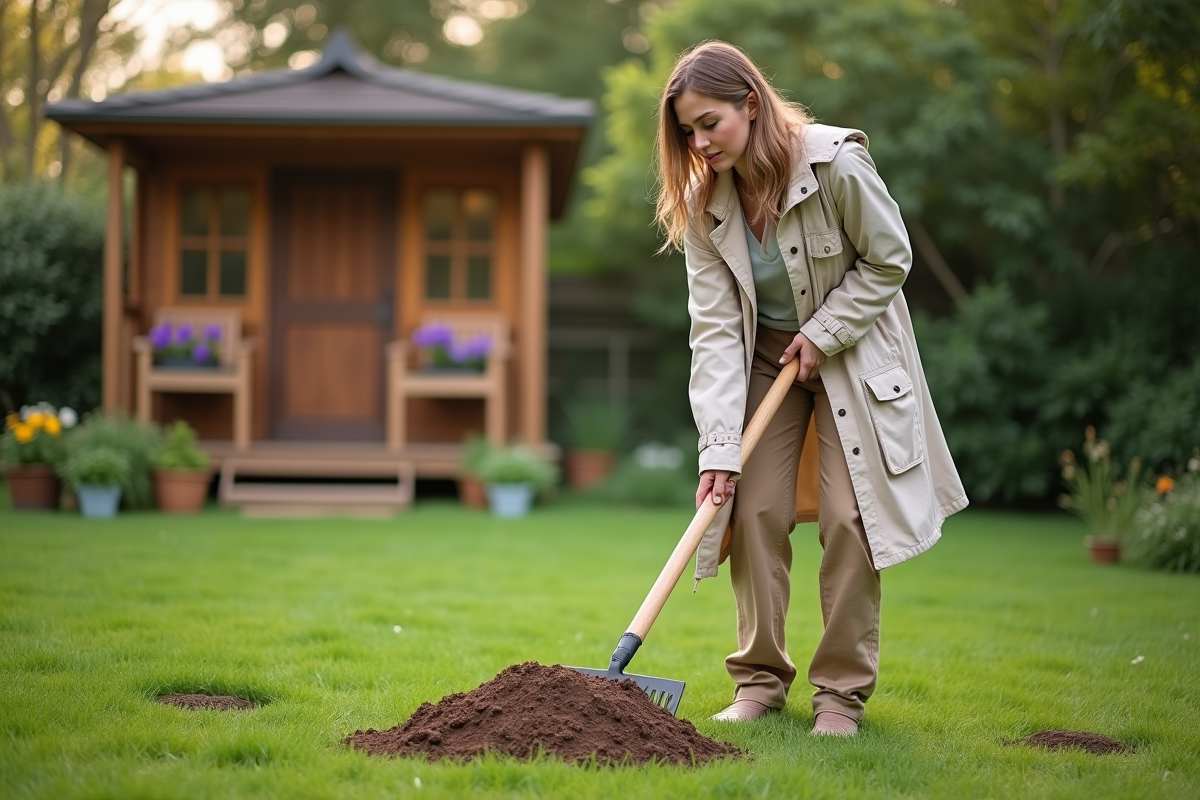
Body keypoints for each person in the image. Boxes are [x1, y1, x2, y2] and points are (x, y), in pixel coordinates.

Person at [654, 41, 968, 736]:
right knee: (753, 511)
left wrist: (825, 333)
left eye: (711, 123)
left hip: (848, 355)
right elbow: (711, 333)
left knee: (849, 520)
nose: (700, 142)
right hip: (765, 363)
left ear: (751, 103)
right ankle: (760, 684)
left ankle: (839, 698)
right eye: (688, 132)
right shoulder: (704, 203)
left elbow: (891, 259)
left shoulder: (834, 163)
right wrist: (718, 447)